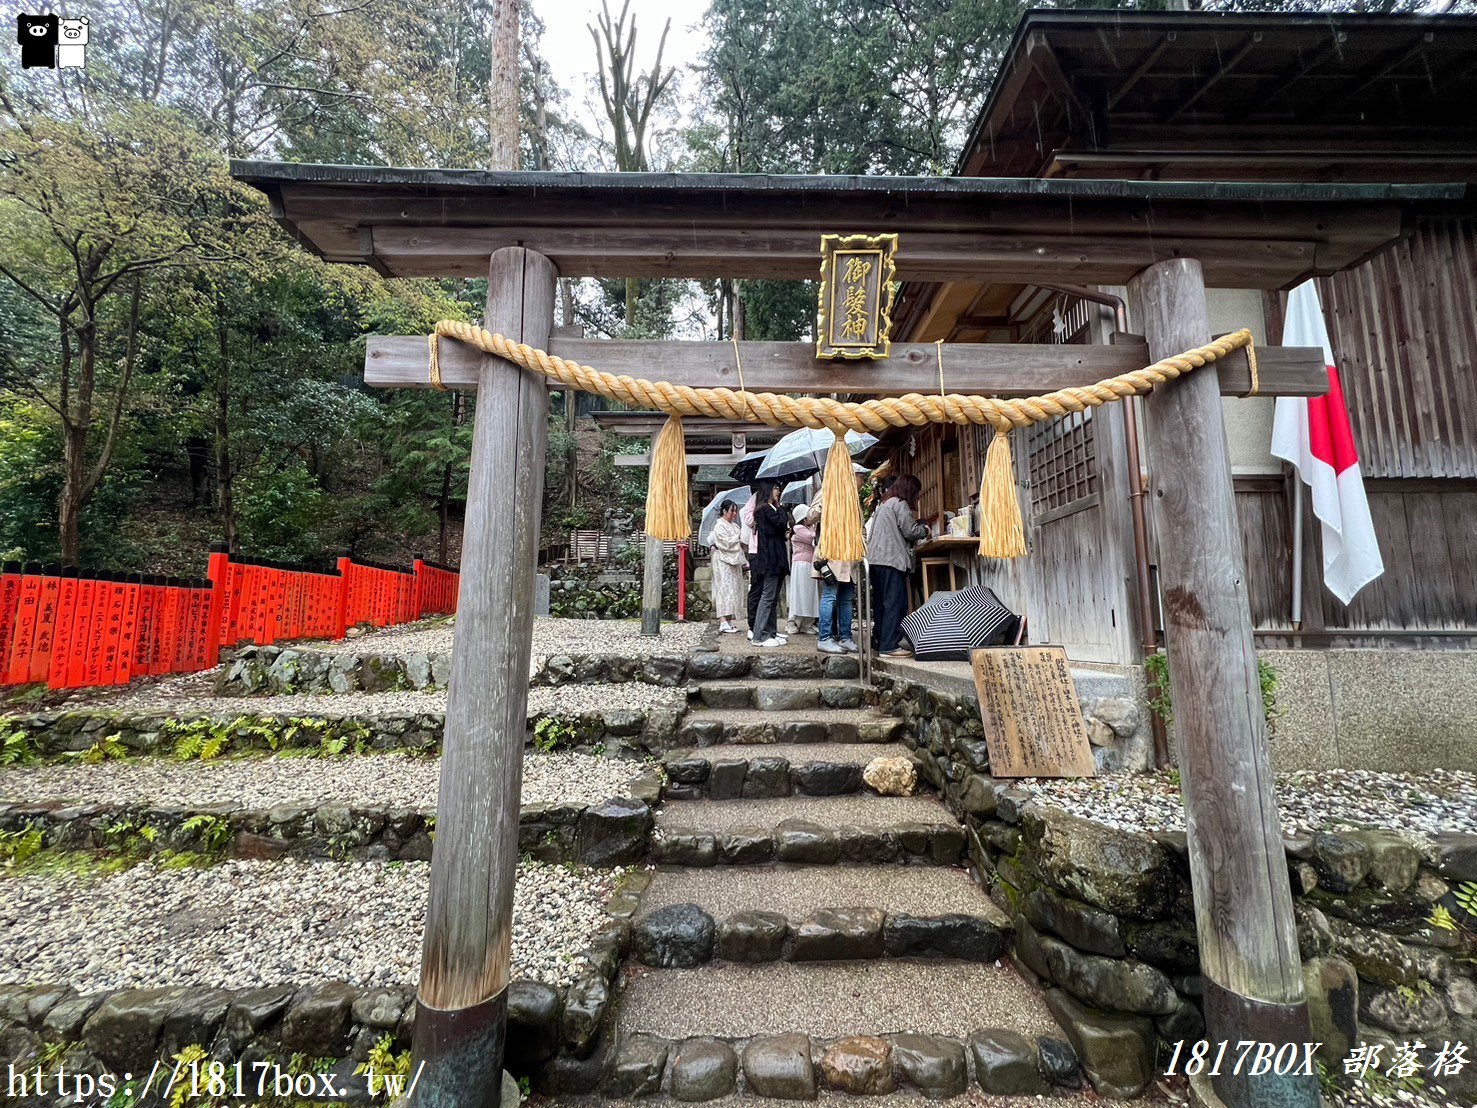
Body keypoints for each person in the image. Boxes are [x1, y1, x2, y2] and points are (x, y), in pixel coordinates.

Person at [866, 473, 929, 657]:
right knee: (895, 603)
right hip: (891, 560)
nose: (916, 496)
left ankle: (879, 641)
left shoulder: (885, 504)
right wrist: (924, 529)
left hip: (876, 560)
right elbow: (910, 531)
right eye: (916, 492)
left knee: (881, 604)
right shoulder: (899, 504)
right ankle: (890, 645)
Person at [750, 481, 791, 646]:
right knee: (767, 597)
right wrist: (782, 510)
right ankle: (759, 636)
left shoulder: (773, 509)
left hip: (777, 557)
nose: (778, 491)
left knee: (773, 598)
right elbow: (780, 524)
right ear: (768, 490)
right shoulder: (764, 510)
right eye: (775, 488)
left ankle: (771, 632)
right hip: (769, 559)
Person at [708, 500, 748, 634]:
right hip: (722, 559)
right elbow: (725, 543)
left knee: (734, 588)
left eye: (736, 511)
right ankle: (723, 621)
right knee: (724, 588)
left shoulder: (735, 526)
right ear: (724, 511)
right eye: (732, 511)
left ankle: (729, 621)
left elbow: (740, 541)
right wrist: (739, 537)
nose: (735, 513)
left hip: (733, 560)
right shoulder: (719, 526)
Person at [786, 503, 819, 635]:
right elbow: (813, 538)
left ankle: (807, 623)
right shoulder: (798, 528)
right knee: (799, 594)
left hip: (809, 563)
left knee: (810, 594)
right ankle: (793, 622)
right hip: (801, 564)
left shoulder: (809, 527)